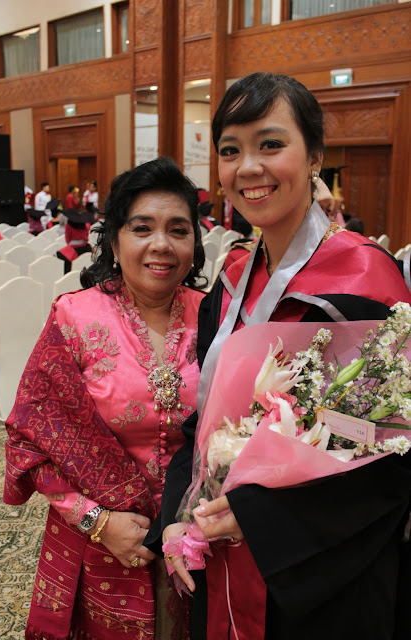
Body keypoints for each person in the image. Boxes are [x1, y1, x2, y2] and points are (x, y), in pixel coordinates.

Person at [146, 73, 411, 640]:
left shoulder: (366, 284)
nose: (248, 168)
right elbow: (204, 420)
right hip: (221, 553)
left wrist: (260, 519)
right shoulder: (230, 283)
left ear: (315, 156)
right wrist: (176, 516)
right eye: (230, 150)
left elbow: (387, 451)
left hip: (320, 576)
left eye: (270, 144)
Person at [3, 156, 206, 640]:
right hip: (101, 546)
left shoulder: (215, 315)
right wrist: (97, 521)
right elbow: (29, 443)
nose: (162, 244)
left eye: (178, 230)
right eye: (142, 228)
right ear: (114, 240)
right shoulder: (74, 319)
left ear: (194, 243)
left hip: (196, 543)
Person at [56, 208, 95, 273]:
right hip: (86, 248)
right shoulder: (93, 252)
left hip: (71, 251)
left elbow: (67, 238)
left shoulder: (62, 255)